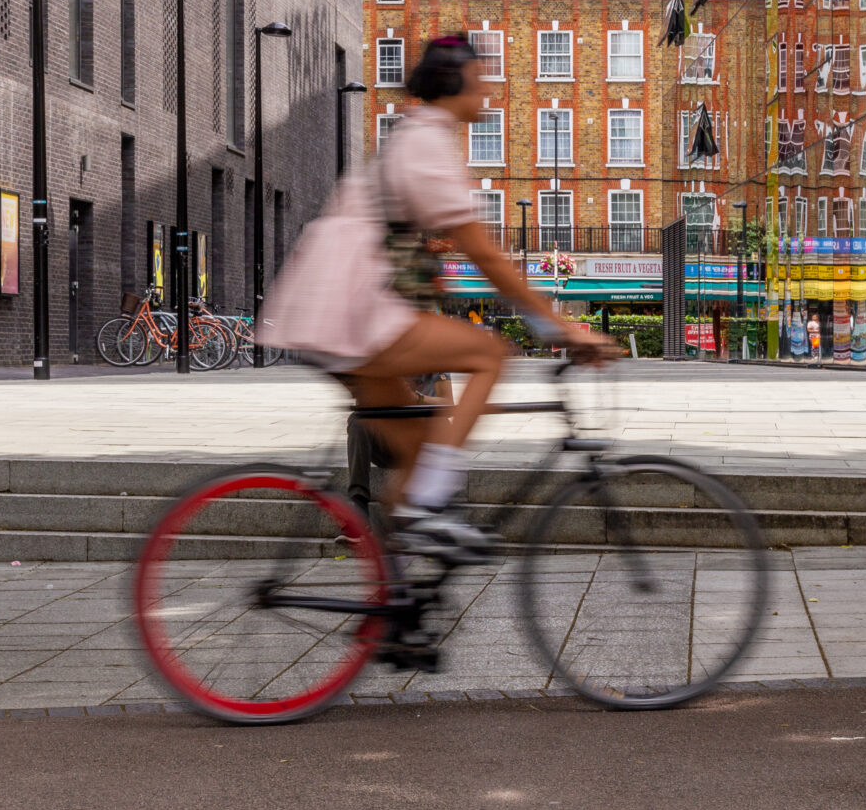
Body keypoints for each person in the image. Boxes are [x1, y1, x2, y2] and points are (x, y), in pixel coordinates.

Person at [260, 35, 612, 562]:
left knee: (417, 452)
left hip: (330, 303)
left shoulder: (416, 137)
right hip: (348, 308)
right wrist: (560, 328)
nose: (487, 89)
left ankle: (396, 606)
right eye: (480, 78)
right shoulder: (428, 141)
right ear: (456, 82)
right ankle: (424, 511)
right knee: (490, 353)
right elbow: (487, 259)